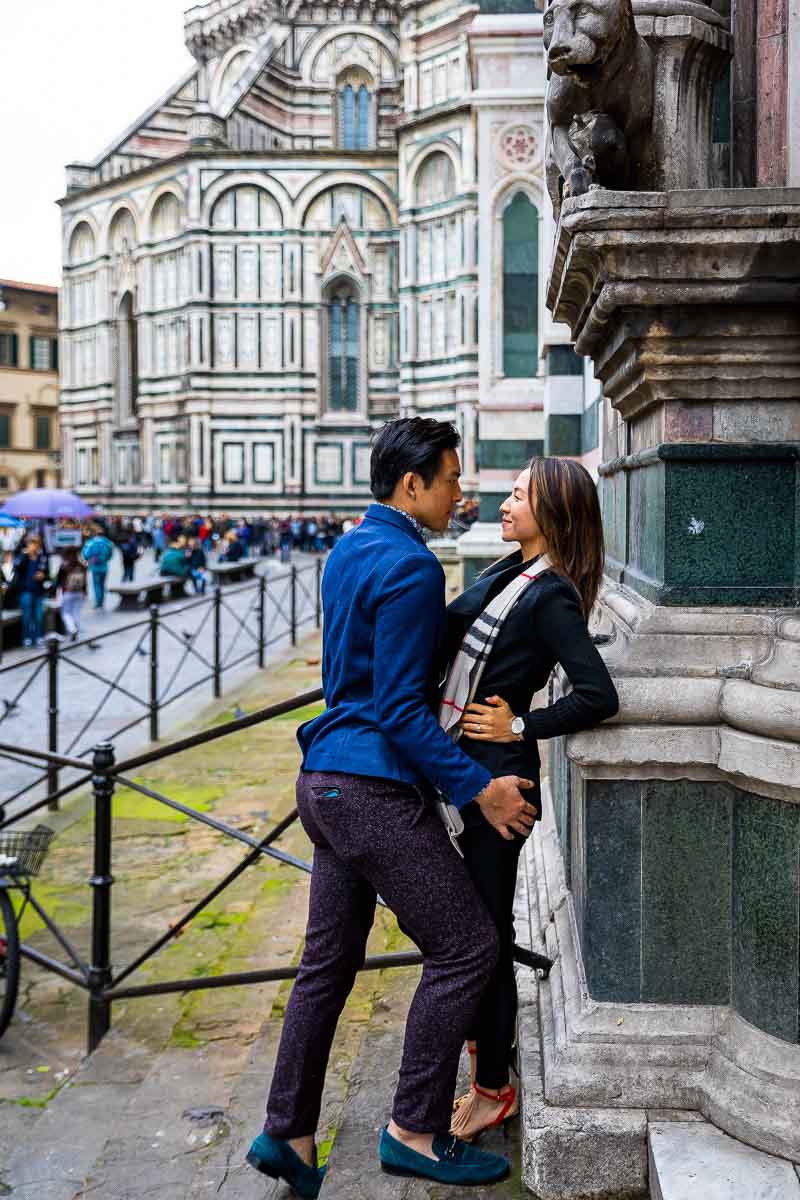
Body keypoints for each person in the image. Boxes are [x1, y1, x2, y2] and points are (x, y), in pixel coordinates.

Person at [246, 418, 538, 1195]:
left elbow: (372, 672)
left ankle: (289, 1133)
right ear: (412, 484)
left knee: (326, 966)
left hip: (325, 783)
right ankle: (414, 1127)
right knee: (468, 947)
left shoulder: (350, 548)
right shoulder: (411, 565)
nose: (460, 492)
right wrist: (482, 786)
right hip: (371, 788)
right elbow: (405, 713)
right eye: (449, 478)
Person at [442, 457, 619, 1143]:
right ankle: (483, 1052)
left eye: (519, 495)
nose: (506, 502)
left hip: (497, 785)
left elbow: (597, 694)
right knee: (464, 930)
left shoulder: (550, 596)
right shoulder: (509, 571)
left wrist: (520, 723)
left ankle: (492, 1087)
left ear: (554, 514)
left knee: (480, 938)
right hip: (464, 769)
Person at [15, 535, 49, 646]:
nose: (33, 545)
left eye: (35, 543)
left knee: (39, 616)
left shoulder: (42, 557)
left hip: (38, 591)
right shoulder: (23, 556)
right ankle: (27, 637)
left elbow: (47, 573)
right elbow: (17, 568)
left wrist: (43, 575)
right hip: (26, 591)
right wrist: (25, 555)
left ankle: (38, 636)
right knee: (27, 616)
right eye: (31, 543)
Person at [56, 549, 88, 641]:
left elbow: (58, 581)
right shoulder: (81, 566)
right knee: (76, 613)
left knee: (65, 613)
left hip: (67, 592)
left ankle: (72, 629)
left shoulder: (64, 566)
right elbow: (85, 581)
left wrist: (56, 592)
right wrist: (85, 592)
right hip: (80, 593)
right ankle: (75, 630)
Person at [82, 526, 114, 609]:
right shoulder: (108, 543)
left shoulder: (91, 542)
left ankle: (98, 602)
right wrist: (105, 559)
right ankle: (102, 601)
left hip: (95, 567)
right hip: (104, 566)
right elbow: (110, 555)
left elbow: (86, 554)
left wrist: (89, 560)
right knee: (102, 584)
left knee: (96, 584)